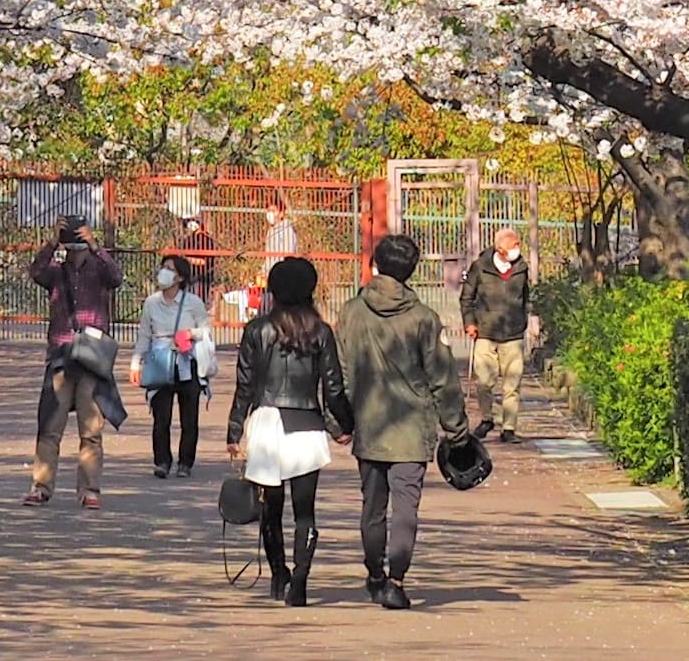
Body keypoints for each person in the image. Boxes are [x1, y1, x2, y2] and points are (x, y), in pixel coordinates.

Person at [224, 254, 354, 605]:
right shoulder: (321, 331)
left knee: (270, 509)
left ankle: (278, 572)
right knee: (305, 511)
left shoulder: (257, 330)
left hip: (266, 423)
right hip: (307, 427)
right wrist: (342, 426)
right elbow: (333, 388)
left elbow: (245, 386)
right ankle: (300, 580)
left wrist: (235, 432)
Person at [337, 231, 452, 609]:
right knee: (406, 508)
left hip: (369, 424)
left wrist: (338, 421)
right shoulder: (423, 318)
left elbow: (340, 371)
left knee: (372, 507)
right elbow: (442, 377)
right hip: (411, 427)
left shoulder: (351, 312)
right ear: (412, 271)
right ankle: (397, 580)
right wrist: (457, 427)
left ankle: (374, 573)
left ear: (376, 264)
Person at [24, 210, 125, 507]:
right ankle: (41, 487)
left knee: (90, 429)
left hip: (91, 359)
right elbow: (36, 271)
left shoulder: (98, 269)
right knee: (49, 427)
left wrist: (96, 245)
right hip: (61, 354)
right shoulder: (56, 271)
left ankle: (90, 489)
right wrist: (53, 242)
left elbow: (117, 277)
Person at [458, 225, 541, 439]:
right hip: (485, 332)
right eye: (515, 245)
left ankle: (509, 427)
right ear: (501, 248)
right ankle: (487, 419)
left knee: (512, 383)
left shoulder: (521, 268)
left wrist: (525, 323)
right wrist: (469, 322)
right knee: (484, 381)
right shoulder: (480, 267)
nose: (518, 248)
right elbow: (466, 297)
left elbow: (524, 297)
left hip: (512, 334)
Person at [136, 251, 210, 475]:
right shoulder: (151, 303)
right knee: (161, 416)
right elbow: (144, 335)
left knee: (189, 417)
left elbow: (206, 330)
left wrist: (189, 334)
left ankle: (185, 463)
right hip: (160, 361)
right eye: (163, 268)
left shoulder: (193, 303)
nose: (164, 273)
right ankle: (162, 462)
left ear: (180, 277)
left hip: (187, 362)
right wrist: (135, 362)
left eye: (170, 269)